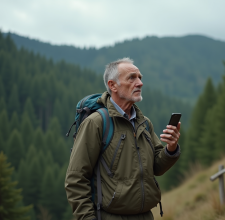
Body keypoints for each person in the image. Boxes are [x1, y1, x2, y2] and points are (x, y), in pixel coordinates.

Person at [65, 57, 181, 220]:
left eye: (140, 77)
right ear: (113, 85)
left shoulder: (144, 122)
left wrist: (171, 148)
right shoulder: (97, 123)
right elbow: (76, 178)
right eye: (132, 78)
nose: (139, 83)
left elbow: (157, 167)